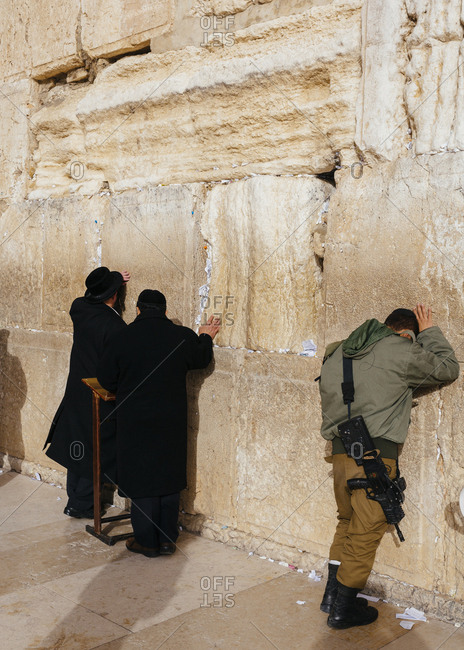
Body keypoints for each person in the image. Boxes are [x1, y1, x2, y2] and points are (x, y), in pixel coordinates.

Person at [318, 304, 459, 629]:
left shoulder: (339, 352)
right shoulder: (400, 348)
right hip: (375, 457)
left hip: (340, 455)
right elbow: (448, 367)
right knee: (366, 532)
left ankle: (330, 596)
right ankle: (343, 610)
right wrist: (429, 333)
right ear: (405, 332)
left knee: (346, 522)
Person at [97, 289, 220, 558]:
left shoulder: (122, 337)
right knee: (168, 474)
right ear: (165, 311)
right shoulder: (180, 336)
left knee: (141, 477)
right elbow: (201, 358)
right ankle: (166, 539)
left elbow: (106, 380)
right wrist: (205, 336)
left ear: (138, 310)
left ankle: (146, 541)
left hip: (135, 421)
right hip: (171, 419)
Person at [44, 267, 130, 518]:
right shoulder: (115, 325)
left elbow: (87, 296)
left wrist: (110, 282)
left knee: (78, 445)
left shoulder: (79, 308)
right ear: (114, 296)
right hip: (98, 392)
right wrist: (115, 282)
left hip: (77, 389)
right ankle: (82, 504)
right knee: (94, 448)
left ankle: (76, 499)